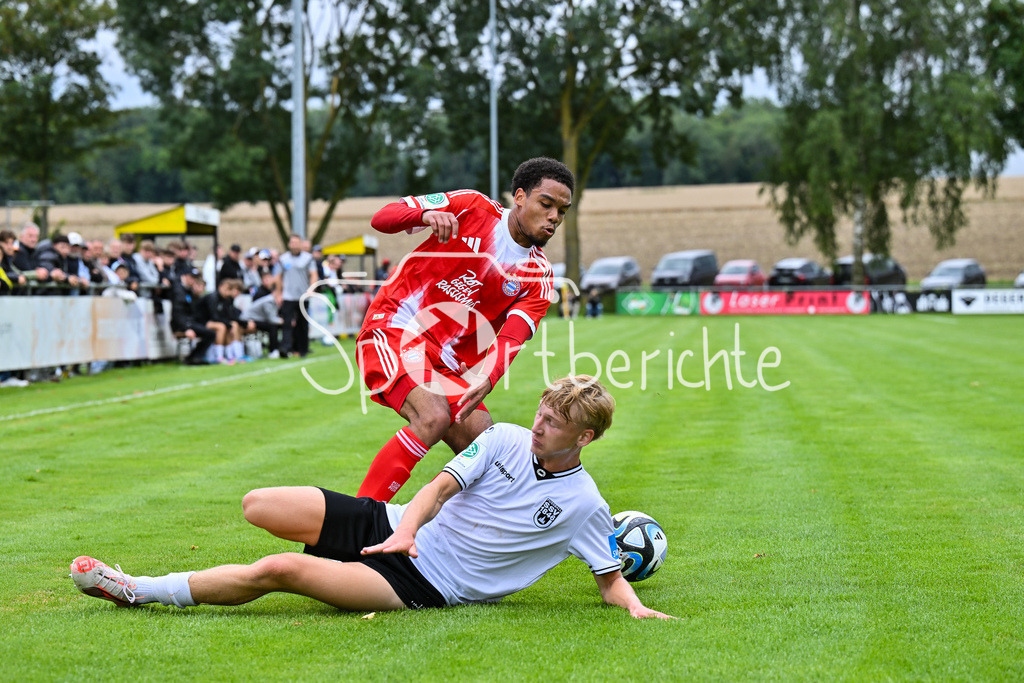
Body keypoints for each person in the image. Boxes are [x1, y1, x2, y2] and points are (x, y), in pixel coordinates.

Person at [68, 377, 672, 620]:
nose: (538, 425)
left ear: (584, 437)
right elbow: (437, 487)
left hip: (428, 583)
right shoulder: (505, 439)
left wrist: (636, 609)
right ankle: (347, 555)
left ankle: (135, 588)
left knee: (280, 571)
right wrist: (405, 530)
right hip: (396, 527)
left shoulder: (586, 505)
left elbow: (608, 576)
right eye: (541, 412)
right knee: (260, 505)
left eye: (554, 422)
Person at [354, 156, 573, 501]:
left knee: (486, 450)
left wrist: (487, 377)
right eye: (546, 204)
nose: (554, 218)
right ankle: (351, 527)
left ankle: (448, 543)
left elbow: (511, 337)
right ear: (519, 197)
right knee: (433, 416)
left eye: (562, 211)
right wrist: (423, 215)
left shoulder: (538, 276)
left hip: (446, 362)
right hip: (395, 324)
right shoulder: (471, 207)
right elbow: (383, 218)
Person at [276, 234, 317, 358]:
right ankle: (286, 348)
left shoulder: (308, 258)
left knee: (302, 324)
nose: (294, 245)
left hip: (302, 296)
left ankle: (302, 349)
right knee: (287, 324)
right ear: (289, 244)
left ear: (300, 244)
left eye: (296, 242)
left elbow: (313, 274)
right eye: (292, 243)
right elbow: (279, 277)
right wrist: (279, 293)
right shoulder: (283, 259)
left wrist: (311, 288)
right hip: (288, 296)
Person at [170, 268, 217, 365]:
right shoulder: (179, 291)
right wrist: (186, 328)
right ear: (186, 276)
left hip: (190, 323)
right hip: (183, 324)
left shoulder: (188, 292)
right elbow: (178, 313)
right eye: (192, 277)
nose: (193, 280)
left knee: (210, 333)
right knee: (210, 334)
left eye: (195, 278)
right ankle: (194, 357)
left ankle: (195, 357)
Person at [0, 229, 27, 293]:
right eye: (6, 243)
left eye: (12, 243)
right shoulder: (4, 259)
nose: (10, 247)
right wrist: (16, 278)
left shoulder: (10, 258)